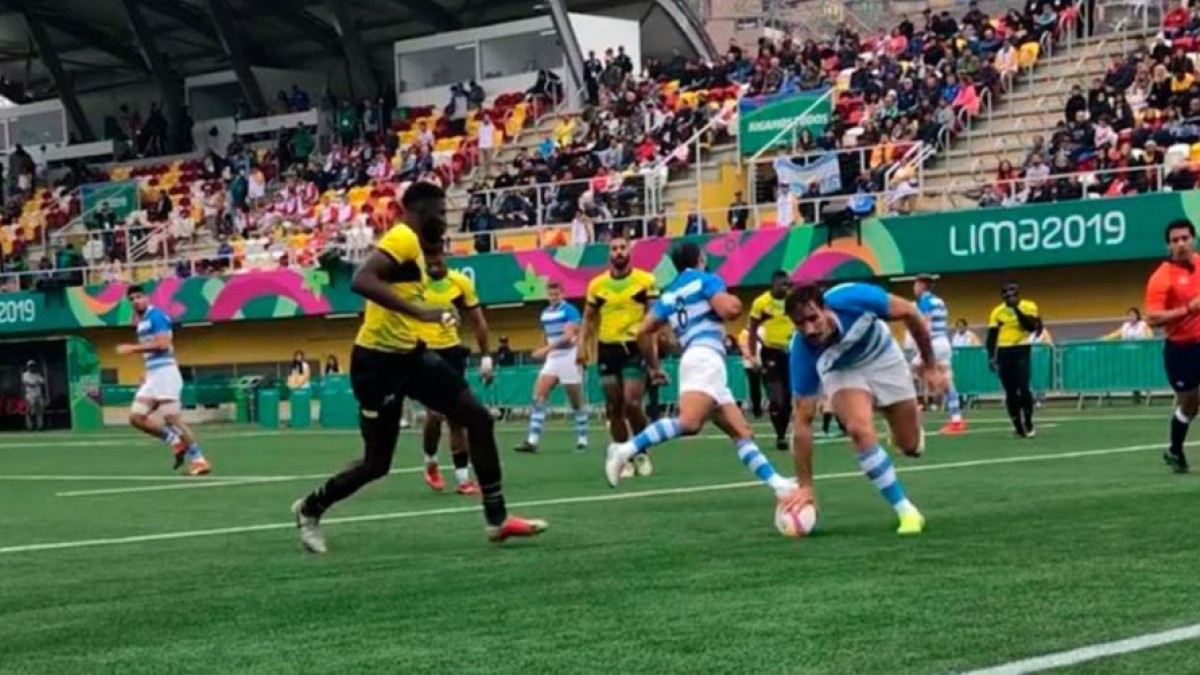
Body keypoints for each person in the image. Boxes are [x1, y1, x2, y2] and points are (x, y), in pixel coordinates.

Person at [292, 182, 545, 553]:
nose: (444, 219)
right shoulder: (403, 237)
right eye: (440, 212)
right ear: (419, 211)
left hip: (410, 356)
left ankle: (497, 519)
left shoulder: (419, 253)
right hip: (376, 364)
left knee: (478, 418)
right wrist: (420, 312)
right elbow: (362, 280)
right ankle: (310, 508)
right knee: (376, 464)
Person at [602, 242, 795, 503]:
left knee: (742, 432)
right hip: (706, 357)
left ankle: (778, 485)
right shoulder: (707, 280)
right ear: (700, 258)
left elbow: (644, 330)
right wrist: (734, 301)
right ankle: (625, 449)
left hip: (697, 358)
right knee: (690, 423)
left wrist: (655, 364)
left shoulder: (669, 293)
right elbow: (730, 310)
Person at [781, 282, 938, 535]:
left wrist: (930, 365)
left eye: (813, 318)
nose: (809, 329)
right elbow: (802, 421)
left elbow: (910, 312)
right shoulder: (803, 352)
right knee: (858, 429)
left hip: (883, 357)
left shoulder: (854, 298)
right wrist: (806, 485)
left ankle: (895, 426)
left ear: (825, 308)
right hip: (843, 372)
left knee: (910, 447)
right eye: (800, 324)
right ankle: (906, 510)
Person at [578, 236, 658, 477]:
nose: (619, 252)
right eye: (614, 249)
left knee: (632, 402)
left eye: (623, 248)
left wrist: (653, 353)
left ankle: (641, 451)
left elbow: (654, 317)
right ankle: (624, 457)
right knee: (613, 407)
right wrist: (582, 346)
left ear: (629, 252)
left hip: (634, 347)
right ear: (609, 254)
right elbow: (588, 318)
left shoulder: (645, 281)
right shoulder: (597, 285)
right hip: (607, 349)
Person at [117, 285, 210, 475]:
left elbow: (163, 344)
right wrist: (146, 372)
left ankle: (199, 460)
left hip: (166, 374)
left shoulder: (157, 316)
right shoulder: (142, 321)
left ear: (147, 297)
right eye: (132, 299)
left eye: (139, 297)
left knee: (172, 419)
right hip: (153, 375)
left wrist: (132, 349)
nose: (135, 301)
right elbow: (152, 350)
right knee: (136, 417)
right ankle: (174, 441)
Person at [420, 256, 493, 494]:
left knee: (457, 416)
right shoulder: (415, 282)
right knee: (434, 415)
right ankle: (430, 461)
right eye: (428, 261)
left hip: (451, 352)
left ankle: (463, 479)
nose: (433, 265)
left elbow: (478, 320)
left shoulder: (460, 282)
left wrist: (486, 357)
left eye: (437, 260)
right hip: (423, 352)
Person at [1144, 219, 1200, 473]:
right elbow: (1153, 318)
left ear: (1193, 239)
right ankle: (1175, 449)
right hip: (1181, 350)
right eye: (1175, 240)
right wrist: (1188, 309)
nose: (1181, 244)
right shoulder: (1161, 277)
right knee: (1190, 403)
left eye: (1185, 238)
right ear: (1168, 245)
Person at [515, 281, 588, 453]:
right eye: (551, 294)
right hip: (553, 359)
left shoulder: (570, 310)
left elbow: (568, 336)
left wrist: (546, 349)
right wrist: (543, 349)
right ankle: (532, 440)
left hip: (569, 357)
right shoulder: (545, 313)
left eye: (556, 294)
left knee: (576, 401)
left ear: (562, 294)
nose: (553, 297)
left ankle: (582, 438)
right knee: (538, 396)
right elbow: (547, 334)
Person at [986, 282, 1043, 438]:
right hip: (1004, 351)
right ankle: (1017, 425)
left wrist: (1016, 309)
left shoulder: (1029, 306)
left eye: (1013, 295)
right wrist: (990, 356)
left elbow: (1030, 326)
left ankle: (1028, 421)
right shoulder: (997, 311)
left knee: (1024, 388)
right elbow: (992, 336)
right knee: (1010, 391)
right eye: (1007, 296)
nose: (1010, 298)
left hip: (1022, 349)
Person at [913, 275, 966, 434]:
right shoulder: (940, 301)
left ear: (922, 286)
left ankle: (921, 402)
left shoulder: (924, 301)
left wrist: (922, 345)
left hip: (933, 343)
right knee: (948, 381)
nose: (914, 288)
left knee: (912, 370)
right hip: (944, 342)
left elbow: (925, 323)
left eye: (915, 285)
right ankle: (956, 419)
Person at [748, 271, 794, 450]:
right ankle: (780, 436)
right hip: (770, 352)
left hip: (789, 352)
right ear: (774, 285)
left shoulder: (792, 301)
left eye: (788, 284)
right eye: (783, 284)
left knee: (788, 398)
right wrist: (753, 355)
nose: (787, 288)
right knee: (776, 397)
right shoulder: (761, 303)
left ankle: (784, 431)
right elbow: (752, 330)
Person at [737, 326, 764, 418]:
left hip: (764, 362)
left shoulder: (763, 330)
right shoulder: (744, 333)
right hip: (750, 364)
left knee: (768, 385)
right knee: (754, 387)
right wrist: (753, 361)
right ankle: (756, 409)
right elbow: (743, 347)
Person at [21, 360, 46, 431]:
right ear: (27, 367)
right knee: (29, 411)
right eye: (30, 366)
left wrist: (35, 384)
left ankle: (40, 426)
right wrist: (35, 384)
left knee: (39, 411)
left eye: (33, 366)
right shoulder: (25, 374)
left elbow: (43, 382)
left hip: (38, 395)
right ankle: (30, 426)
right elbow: (26, 383)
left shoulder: (37, 375)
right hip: (29, 396)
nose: (32, 367)